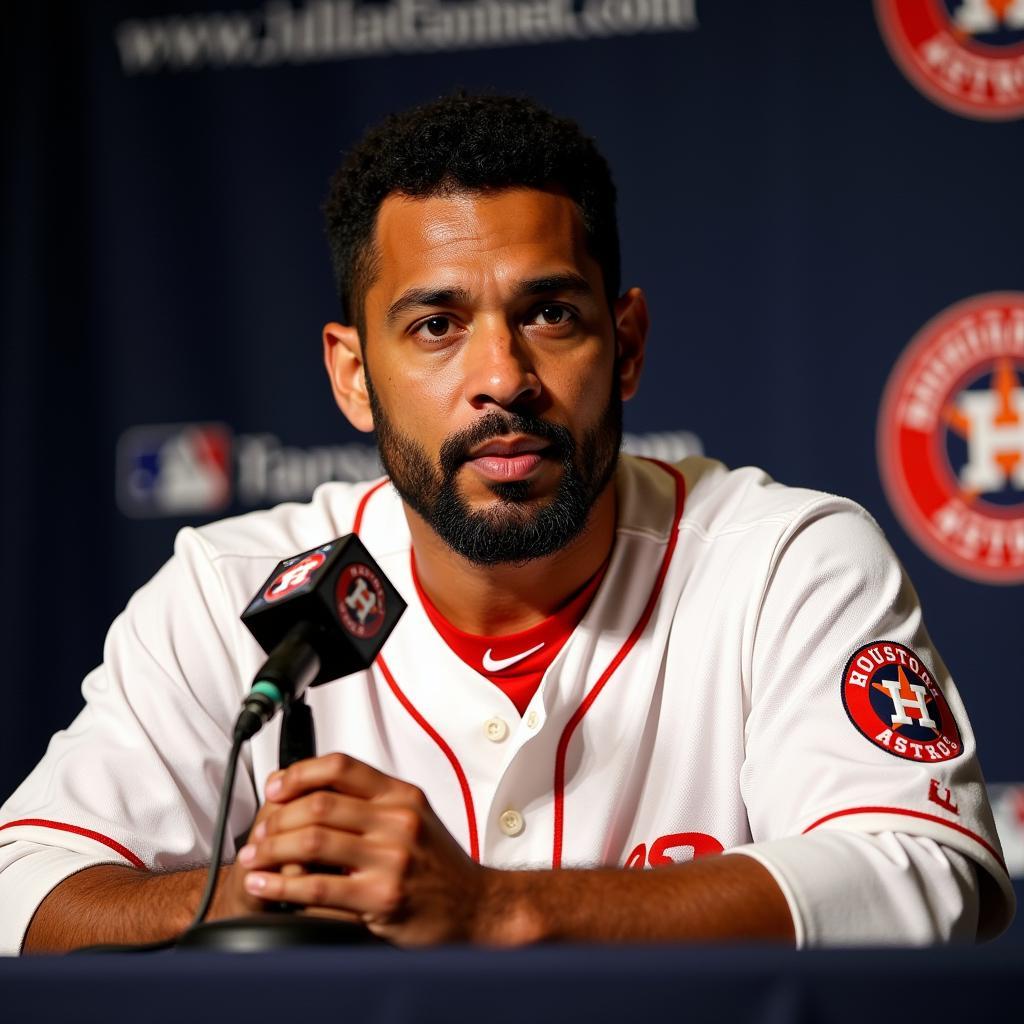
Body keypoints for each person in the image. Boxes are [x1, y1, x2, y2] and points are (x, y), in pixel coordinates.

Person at [0, 94, 1014, 954]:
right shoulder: (234, 588)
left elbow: (927, 869)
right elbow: (19, 881)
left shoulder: (782, 562)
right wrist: (263, 891)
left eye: (549, 314)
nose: (502, 380)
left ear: (625, 346)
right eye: (436, 325)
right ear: (354, 375)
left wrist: (499, 903)